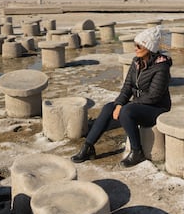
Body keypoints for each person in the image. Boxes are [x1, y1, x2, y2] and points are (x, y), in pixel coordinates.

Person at [71, 25, 172, 167]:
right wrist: (119, 103)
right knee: (108, 108)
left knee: (127, 111)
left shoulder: (161, 67)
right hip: (140, 105)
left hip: (157, 108)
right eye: (134, 45)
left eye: (138, 45)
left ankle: (137, 152)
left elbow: (154, 96)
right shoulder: (136, 62)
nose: (135, 48)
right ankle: (88, 147)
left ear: (148, 48)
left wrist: (128, 105)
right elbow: (127, 88)